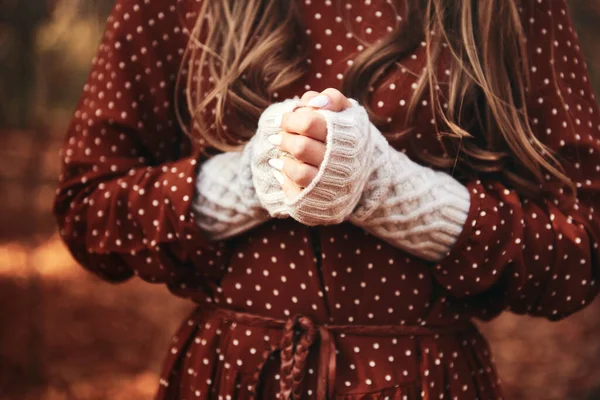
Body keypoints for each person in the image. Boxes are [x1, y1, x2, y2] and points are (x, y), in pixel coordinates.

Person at [52, 0, 600, 398]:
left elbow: (583, 245)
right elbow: (86, 207)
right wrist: (248, 179)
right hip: (231, 378)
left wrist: (395, 192)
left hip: (428, 381)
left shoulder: (508, 9)